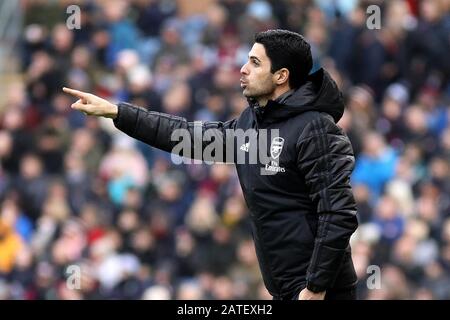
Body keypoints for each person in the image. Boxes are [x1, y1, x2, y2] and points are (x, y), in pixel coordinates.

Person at [63, 29, 359, 300]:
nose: (243, 69)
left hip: (321, 292)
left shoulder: (315, 129)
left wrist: (316, 286)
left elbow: (338, 213)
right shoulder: (250, 124)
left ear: (281, 76)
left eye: (255, 63)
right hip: (287, 288)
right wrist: (117, 113)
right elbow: (185, 136)